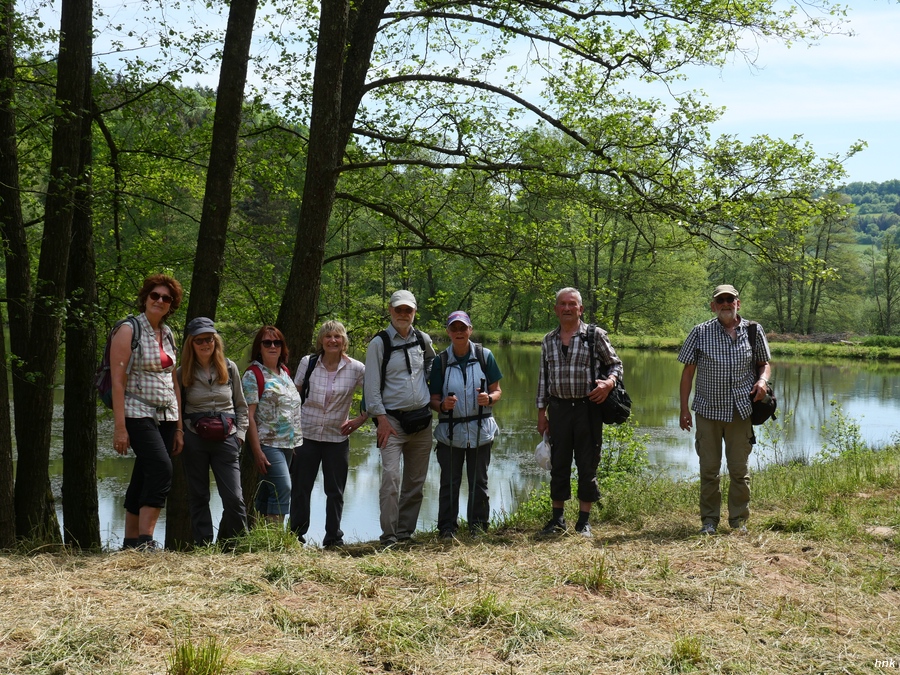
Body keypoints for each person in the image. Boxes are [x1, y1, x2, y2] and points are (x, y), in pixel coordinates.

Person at [678, 284, 772, 535]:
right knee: (709, 471)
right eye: (721, 301)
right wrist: (683, 409)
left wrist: (762, 381)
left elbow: (764, 364)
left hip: (741, 412)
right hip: (707, 412)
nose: (726, 304)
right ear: (713, 306)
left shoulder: (754, 330)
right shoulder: (700, 332)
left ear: (738, 304)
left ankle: (739, 521)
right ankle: (709, 522)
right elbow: (688, 373)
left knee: (739, 472)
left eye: (731, 300)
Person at [536, 287, 623, 539]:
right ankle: (557, 519)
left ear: (580, 309)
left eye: (572, 304)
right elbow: (543, 378)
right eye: (562, 304)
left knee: (587, 464)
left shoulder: (595, 336)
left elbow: (615, 364)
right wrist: (542, 411)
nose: (566, 308)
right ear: (555, 309)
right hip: (559, 409)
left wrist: (608, 383)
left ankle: (583, 522)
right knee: (559, 464)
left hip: (588, 409)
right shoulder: (548, 340)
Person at [110, 273, 184, 551]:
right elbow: (118, 381)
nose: (160, 301)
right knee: (162, 469)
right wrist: (120, 428)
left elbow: (172, 381)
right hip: (136, 412)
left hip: (166, 416)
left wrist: (178, 426)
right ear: (146, 297)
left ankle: (130, 543)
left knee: (144, 472)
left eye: (167, 298)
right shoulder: (129, 329)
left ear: (171, 304)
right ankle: (146, 542)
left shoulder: (167, 334)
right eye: (156, 295)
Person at [363, 290, 436, 546]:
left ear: (415, 312)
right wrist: (381, 420)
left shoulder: (423, 339)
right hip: (391, 422)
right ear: (390, 310)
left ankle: (405, 533)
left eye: (408, 310)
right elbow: (371, 387)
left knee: (416, 481)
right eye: (399, 309)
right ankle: (389, 535)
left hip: (422, 422)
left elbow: (432, 367)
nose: (403, 314)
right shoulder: (379, 343)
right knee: (391, 478)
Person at [291, 320, 367, 547]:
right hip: (307, 434)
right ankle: (296, 536)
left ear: (344, 341)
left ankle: (333, 538)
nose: (333, 340)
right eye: (328, 336)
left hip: (337, 437)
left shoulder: (356, 368)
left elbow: (373, 395)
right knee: (301, 489)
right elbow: (294, 396)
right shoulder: (309, 362)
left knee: (335, 491)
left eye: (337, 336)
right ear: (321, 341)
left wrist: (359, 420)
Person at [429, 311, 503, 538]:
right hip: (450, 433)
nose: (459, 332)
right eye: (454, 328)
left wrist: (489, 399)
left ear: (470, 329)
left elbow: (497, 390)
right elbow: (432, 398)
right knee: (449, 482)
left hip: (481, 430)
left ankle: (478, 527)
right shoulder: (440, 361)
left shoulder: (485, 356)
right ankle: (447, 528)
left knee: (479, 481)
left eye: (463, 328)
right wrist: (443, 406)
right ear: (448, 332)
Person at [177, 317, 249, 547]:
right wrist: (180, 433)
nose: (205, 344)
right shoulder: (181, 373)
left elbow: (241, 404)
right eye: (199, 340)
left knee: (233, 498)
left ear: (215, 341)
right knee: (199, 495)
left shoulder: (229, 367)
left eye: (209, 339)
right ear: (191, 343)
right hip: (195, 438)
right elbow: (176, 408)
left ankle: (241, 545)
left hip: (227, 439)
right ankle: (204, 546)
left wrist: (240, 435)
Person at [242, 326, 302, 525]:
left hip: (287, 444)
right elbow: (248, 416)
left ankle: (262, 538)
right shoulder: (253, 375)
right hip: (267, 443)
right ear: (259, 347)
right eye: (267, 343)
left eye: (277, 342)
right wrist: (257, 450)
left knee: (269, 490)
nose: (273, 346)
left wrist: (292, 440)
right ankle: (275, 537)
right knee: (283, 487)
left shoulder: (284, 372)